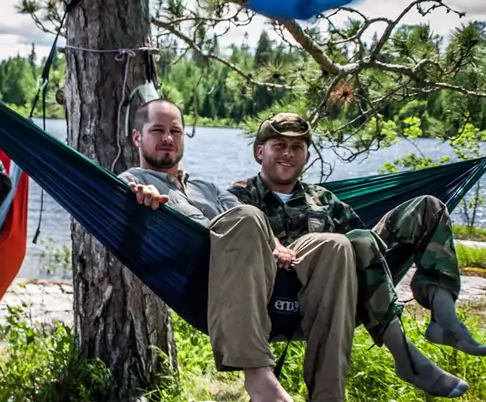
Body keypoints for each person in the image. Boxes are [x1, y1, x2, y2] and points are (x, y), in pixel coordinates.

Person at [119, 99, 358, 402]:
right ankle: (258, 378)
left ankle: (329, 394)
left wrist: (276, 245)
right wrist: (143, 194)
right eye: (158, 130)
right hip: (208, 282)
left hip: (259, 276)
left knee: (336, 246)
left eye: (175, 131)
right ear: (137, 137)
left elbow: (246, 216)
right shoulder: (133, 182)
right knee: (247, 217)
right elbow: (126, 199)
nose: (168, 138)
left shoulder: (207, 187)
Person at [227, 113, 480, 398]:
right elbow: (237, 226)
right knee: (339, 244)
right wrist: (273, 242)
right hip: (282, 289)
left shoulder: (323, 199)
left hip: (342, 286)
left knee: (428, 208)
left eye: (297, 147)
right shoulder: (241, 194)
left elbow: (363, 240)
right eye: (279, 145)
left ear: (307, 155)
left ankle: (444, 316)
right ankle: (405, 355)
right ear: (260, 151)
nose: (288, 153)